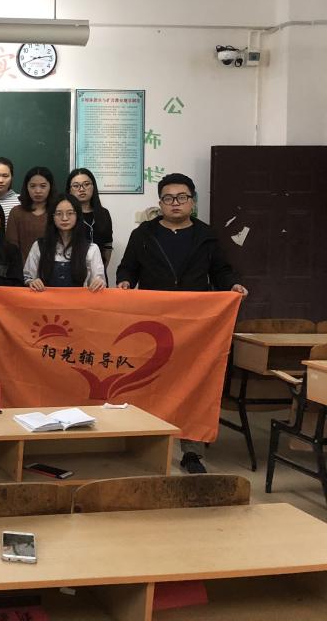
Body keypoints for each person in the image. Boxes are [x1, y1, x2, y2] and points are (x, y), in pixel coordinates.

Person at [116, 172, 248, 475]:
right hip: (153, 321)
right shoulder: (144, 234)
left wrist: (232, 285)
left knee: (193, 384)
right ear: (160, 202)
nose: (175, 203)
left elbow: (221, 270)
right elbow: (128, 267)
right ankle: (144, 442)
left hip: (194, 325)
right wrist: (124, 281)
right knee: (149, 382)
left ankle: (192, 451)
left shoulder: (206, 235)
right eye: (168, 198)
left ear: (192, 201)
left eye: (182, 197)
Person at [24, 195, 106, 291]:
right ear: (52, 217)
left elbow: (100, 280)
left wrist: (99, 283)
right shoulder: (39, 246)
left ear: (78, 216)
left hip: (79, 300)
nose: (64, 218)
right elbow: (27, 277)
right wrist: (31, 282)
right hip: (46, 299)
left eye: (70, 213)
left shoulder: (91, 248)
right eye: (59, 213)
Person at [66, 167, 114, 270]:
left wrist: (101, 271)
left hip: (98, 273)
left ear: (93, 187)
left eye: (86, 184)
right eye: (76, 186)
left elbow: (108, 246)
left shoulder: (104, 214)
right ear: (69, 190)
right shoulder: (65, 215)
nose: (81, 189)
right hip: (71, 271)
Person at [7, 166, 55, 262]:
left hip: (53, 266)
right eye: (33, 186)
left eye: (43, 186)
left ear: (50, 187)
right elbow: (12, 246)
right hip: (22, 268)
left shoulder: (57, 212)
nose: (38, 191)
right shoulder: (16, 212)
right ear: (27, 187)